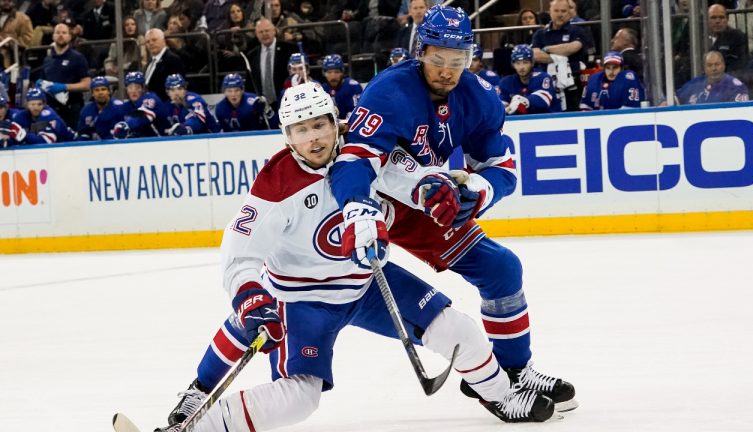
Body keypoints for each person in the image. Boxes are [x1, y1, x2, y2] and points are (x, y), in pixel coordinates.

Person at [152, 82, 552, 432]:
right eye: (301, 129)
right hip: (304, 300)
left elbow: (414, 180)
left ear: (335, 122)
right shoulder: (275, 185)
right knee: (299, 398)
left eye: (320, 124)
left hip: (366, 283)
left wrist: (435, 191)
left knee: (458, 329)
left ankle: (502, 396)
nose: (314, 138)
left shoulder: (367, 153)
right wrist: (251, 296)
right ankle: (198, 419)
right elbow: (239, 254)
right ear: (287, 136)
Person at [329, 3, 577, 417]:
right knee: (342, 283)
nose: (446, 69)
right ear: (420, 52)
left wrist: (476, 192)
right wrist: (357, 210)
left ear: (470, 57)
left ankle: (515, 369)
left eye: (457, 60)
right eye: (437, 59)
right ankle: (486, 380)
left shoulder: (478, 97)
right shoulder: (388, 92)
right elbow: (355, 161)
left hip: (428, 200)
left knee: (501, 269)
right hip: (378, 202)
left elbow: (502, 166)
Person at [532, 0, 593, 111]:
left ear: (569, 12)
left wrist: (546, 49)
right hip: (546, 84)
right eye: (556, 10)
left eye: (563, 11)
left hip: (572, 85)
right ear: (550, 12)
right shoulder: (540, 33)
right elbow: (535, 54)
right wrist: (560, 57)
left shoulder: (577, 31)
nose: (560, 14)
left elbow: (574, 47)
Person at [36, 23, 91, 128]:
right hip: (51, 110)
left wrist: (64, 87)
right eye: (57, 32)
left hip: (72, 108)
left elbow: (87, 84)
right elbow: (43, 82)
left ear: (69, 37)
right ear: (53, 36)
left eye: (64, 33)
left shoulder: (78, 58)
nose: (60, 35)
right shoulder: (47, 60)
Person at [247, 17, 294, 110]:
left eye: (267, 30)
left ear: (274, 31)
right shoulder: (251, 55)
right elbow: (250, 82)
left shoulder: (289, 49)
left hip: (287, 102)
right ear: (256, 34)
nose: (264, 34)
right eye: (261, 32)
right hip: (263, 106)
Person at [499, 44, 561, 114]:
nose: (521, 67)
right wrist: (505, 109)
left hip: (549, 119)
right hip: (522, 121)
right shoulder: (506, 82)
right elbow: (501, 103)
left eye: (525, 62)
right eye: (517, 63)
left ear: (532, 63)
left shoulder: (543, 77)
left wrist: (524, 101)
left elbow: (543, 101)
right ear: (513, 64)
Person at [673, 50, 749, 105]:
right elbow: (676, 97)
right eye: (709, 65)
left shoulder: (735, 87)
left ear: (723, 65)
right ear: (704, 68)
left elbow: (740, 114)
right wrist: (666, 101)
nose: (714, 68)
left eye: (717, 64)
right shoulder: (695, 83)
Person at [6, 87, 75, 145]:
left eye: (39, 104)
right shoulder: (22, 116)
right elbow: (15, 137)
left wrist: (23, 135)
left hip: (72, 144)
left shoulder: (48, 114)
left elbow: (47, 141)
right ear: (27, 104)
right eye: (32, 104)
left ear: (44, 104)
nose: (36, 108)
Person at [579, 51, 645, 110]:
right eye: (608, 68)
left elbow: (629, 112)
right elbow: (585, 110)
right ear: (604, 69)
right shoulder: (594, 80)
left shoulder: (628, 79)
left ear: (621, 68)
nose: (611, 72)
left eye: (615, 67)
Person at [112, 71, 170, 138]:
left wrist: (125, 125)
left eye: (137, 87)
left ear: (143, 88)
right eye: (130, 88)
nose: (133, 91)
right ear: (126, 90)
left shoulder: (151, 98)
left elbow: (140, 118)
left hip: (162, 142)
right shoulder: (125, 106)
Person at [76, 76, 125, 140]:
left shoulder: (119, 107)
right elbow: (82, 133)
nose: (100, 93)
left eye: (103, 89)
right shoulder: (86, 110)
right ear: (92, 93)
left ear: (108, 91)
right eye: (97, 90)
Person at [144, 28, 186, 101]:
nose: (151, 43)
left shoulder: (173, 60)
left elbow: (178, 88)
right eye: (148, 42)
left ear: (163, 41)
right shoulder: (150, 62)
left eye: (154, 40)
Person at [320, 54, 362, 121]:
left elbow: (358, 113)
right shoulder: (322, 89)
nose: (333, 76)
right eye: (329, 72)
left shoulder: (353, 86)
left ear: (342, 72)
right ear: (324, 73)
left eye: (337, 72)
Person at [708, 4, 748, 71]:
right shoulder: (698, 38)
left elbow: (739, 65)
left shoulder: (738, 37)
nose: (717, 21)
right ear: (707, 20)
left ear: (727, 19)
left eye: (721, 17)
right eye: (713, 17)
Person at [0, 0, 33, 69]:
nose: (6, 3)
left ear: (14, 2)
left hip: (11, 56)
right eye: (3, 0)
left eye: (9, 0)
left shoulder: (23, 18)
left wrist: (10, 43)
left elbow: (27, 38)